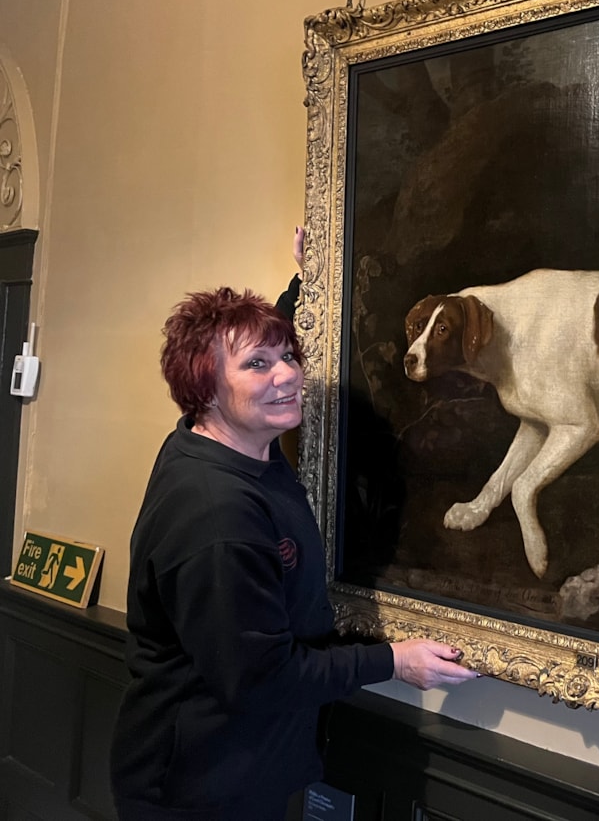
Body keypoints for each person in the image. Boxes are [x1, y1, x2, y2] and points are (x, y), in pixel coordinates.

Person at [110, 265, 477, 820]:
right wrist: (394, 662)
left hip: (240, 763)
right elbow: (262, 679)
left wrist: (314, 274)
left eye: (288, 356)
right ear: (204, 388)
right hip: (200, 789)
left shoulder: (218, 441)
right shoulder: (218, 517)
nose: (288, 375)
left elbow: (258, 351)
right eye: (257, 364)